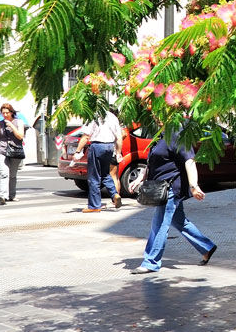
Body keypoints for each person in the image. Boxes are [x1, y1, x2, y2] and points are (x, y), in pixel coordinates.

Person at [131, 128, 217, 274]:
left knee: (159, 224)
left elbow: (190, 160)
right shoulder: (160, 135)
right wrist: (140, 178)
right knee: (179, 221)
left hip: (170, 188)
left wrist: (194, 186)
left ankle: (151, 262)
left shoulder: (178, 135)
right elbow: (152, 162)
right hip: (159, 186)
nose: (155, 117)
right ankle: (206, 247)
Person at [73, 109, 123, 212]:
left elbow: (86, 136)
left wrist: (78, 151)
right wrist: (118, 152)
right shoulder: (113, 117)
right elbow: (119, 137)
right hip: (109, 146)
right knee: (105, 174)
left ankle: (94, 206)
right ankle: (115, 194)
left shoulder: (93, 116)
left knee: (94, 177)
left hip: (97, 146)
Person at [0, 103, 26, 205]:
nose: (5, 115)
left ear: (11, 112)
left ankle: (12, 195)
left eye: (7, 113)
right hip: (2, 151)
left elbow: (20, 136)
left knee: (13, 175)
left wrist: (12, 126)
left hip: (15, 151)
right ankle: (2, 196)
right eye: (3, 113)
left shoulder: (19, 122)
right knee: (4, 173)